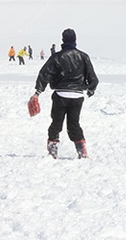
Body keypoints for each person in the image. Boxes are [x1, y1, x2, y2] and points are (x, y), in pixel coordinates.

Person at [32, 28, 99, 159]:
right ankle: (82, 150)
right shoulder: (83, 56)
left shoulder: (57, 56)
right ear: (75, 40)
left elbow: (44, 74)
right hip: (77, 96)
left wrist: (38, 92)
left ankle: (52, 150)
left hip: (60, 95)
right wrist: (90, 89)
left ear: (63, 40)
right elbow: (93, 79)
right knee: (74, 124)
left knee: (56, 123)